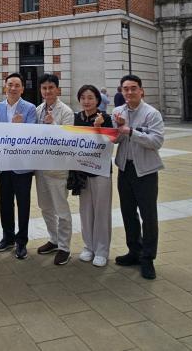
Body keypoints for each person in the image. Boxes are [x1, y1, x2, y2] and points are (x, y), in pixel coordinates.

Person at [112, 74, 164, 280]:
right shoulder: (117, 111)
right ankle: (134, 251)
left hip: (146, 171)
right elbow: (115, 140)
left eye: (133, 88)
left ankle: (148, 258)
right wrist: (117, 129)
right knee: (128, 212)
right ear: (121, 91)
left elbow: (156, 141)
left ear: (141, 91)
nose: (129, 92)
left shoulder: (151, 113)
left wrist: (131, 131)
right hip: (125, 169)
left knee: (148, 216)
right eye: (125, 89)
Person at [0, 72, 36, 260]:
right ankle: (8, 237)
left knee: (23, 204)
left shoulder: (30, 108)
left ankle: (22, 241)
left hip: (22, 165)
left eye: (17, 85)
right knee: (5, 202)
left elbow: (31, 135)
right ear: (5, 87)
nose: (13, 88)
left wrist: (19, 127)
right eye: (10, 84)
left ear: (22, 88)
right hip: (4, 164)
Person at [35, 73, 74, 265]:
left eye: (51, 88)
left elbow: (68, 139)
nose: (47, 91)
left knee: (61, 209)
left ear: (58, 89)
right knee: (45, 207)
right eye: (44, 88)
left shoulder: (66, 111)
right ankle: (54, 239)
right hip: (41, 168)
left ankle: (65, 247)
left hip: (58, 168)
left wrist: (54, 124)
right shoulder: (38, 109)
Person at [73, 85, 113, 267]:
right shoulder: (76, 118)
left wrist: (98, 128)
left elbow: (108, 144)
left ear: (97, 100)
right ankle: (88, 246)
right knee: (86, 210)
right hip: (82, 171)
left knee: (101, 211)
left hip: (101, 171)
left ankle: (102, 250)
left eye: (90, 97)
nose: (86, 101)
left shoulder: (105, 118)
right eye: (83, 98)